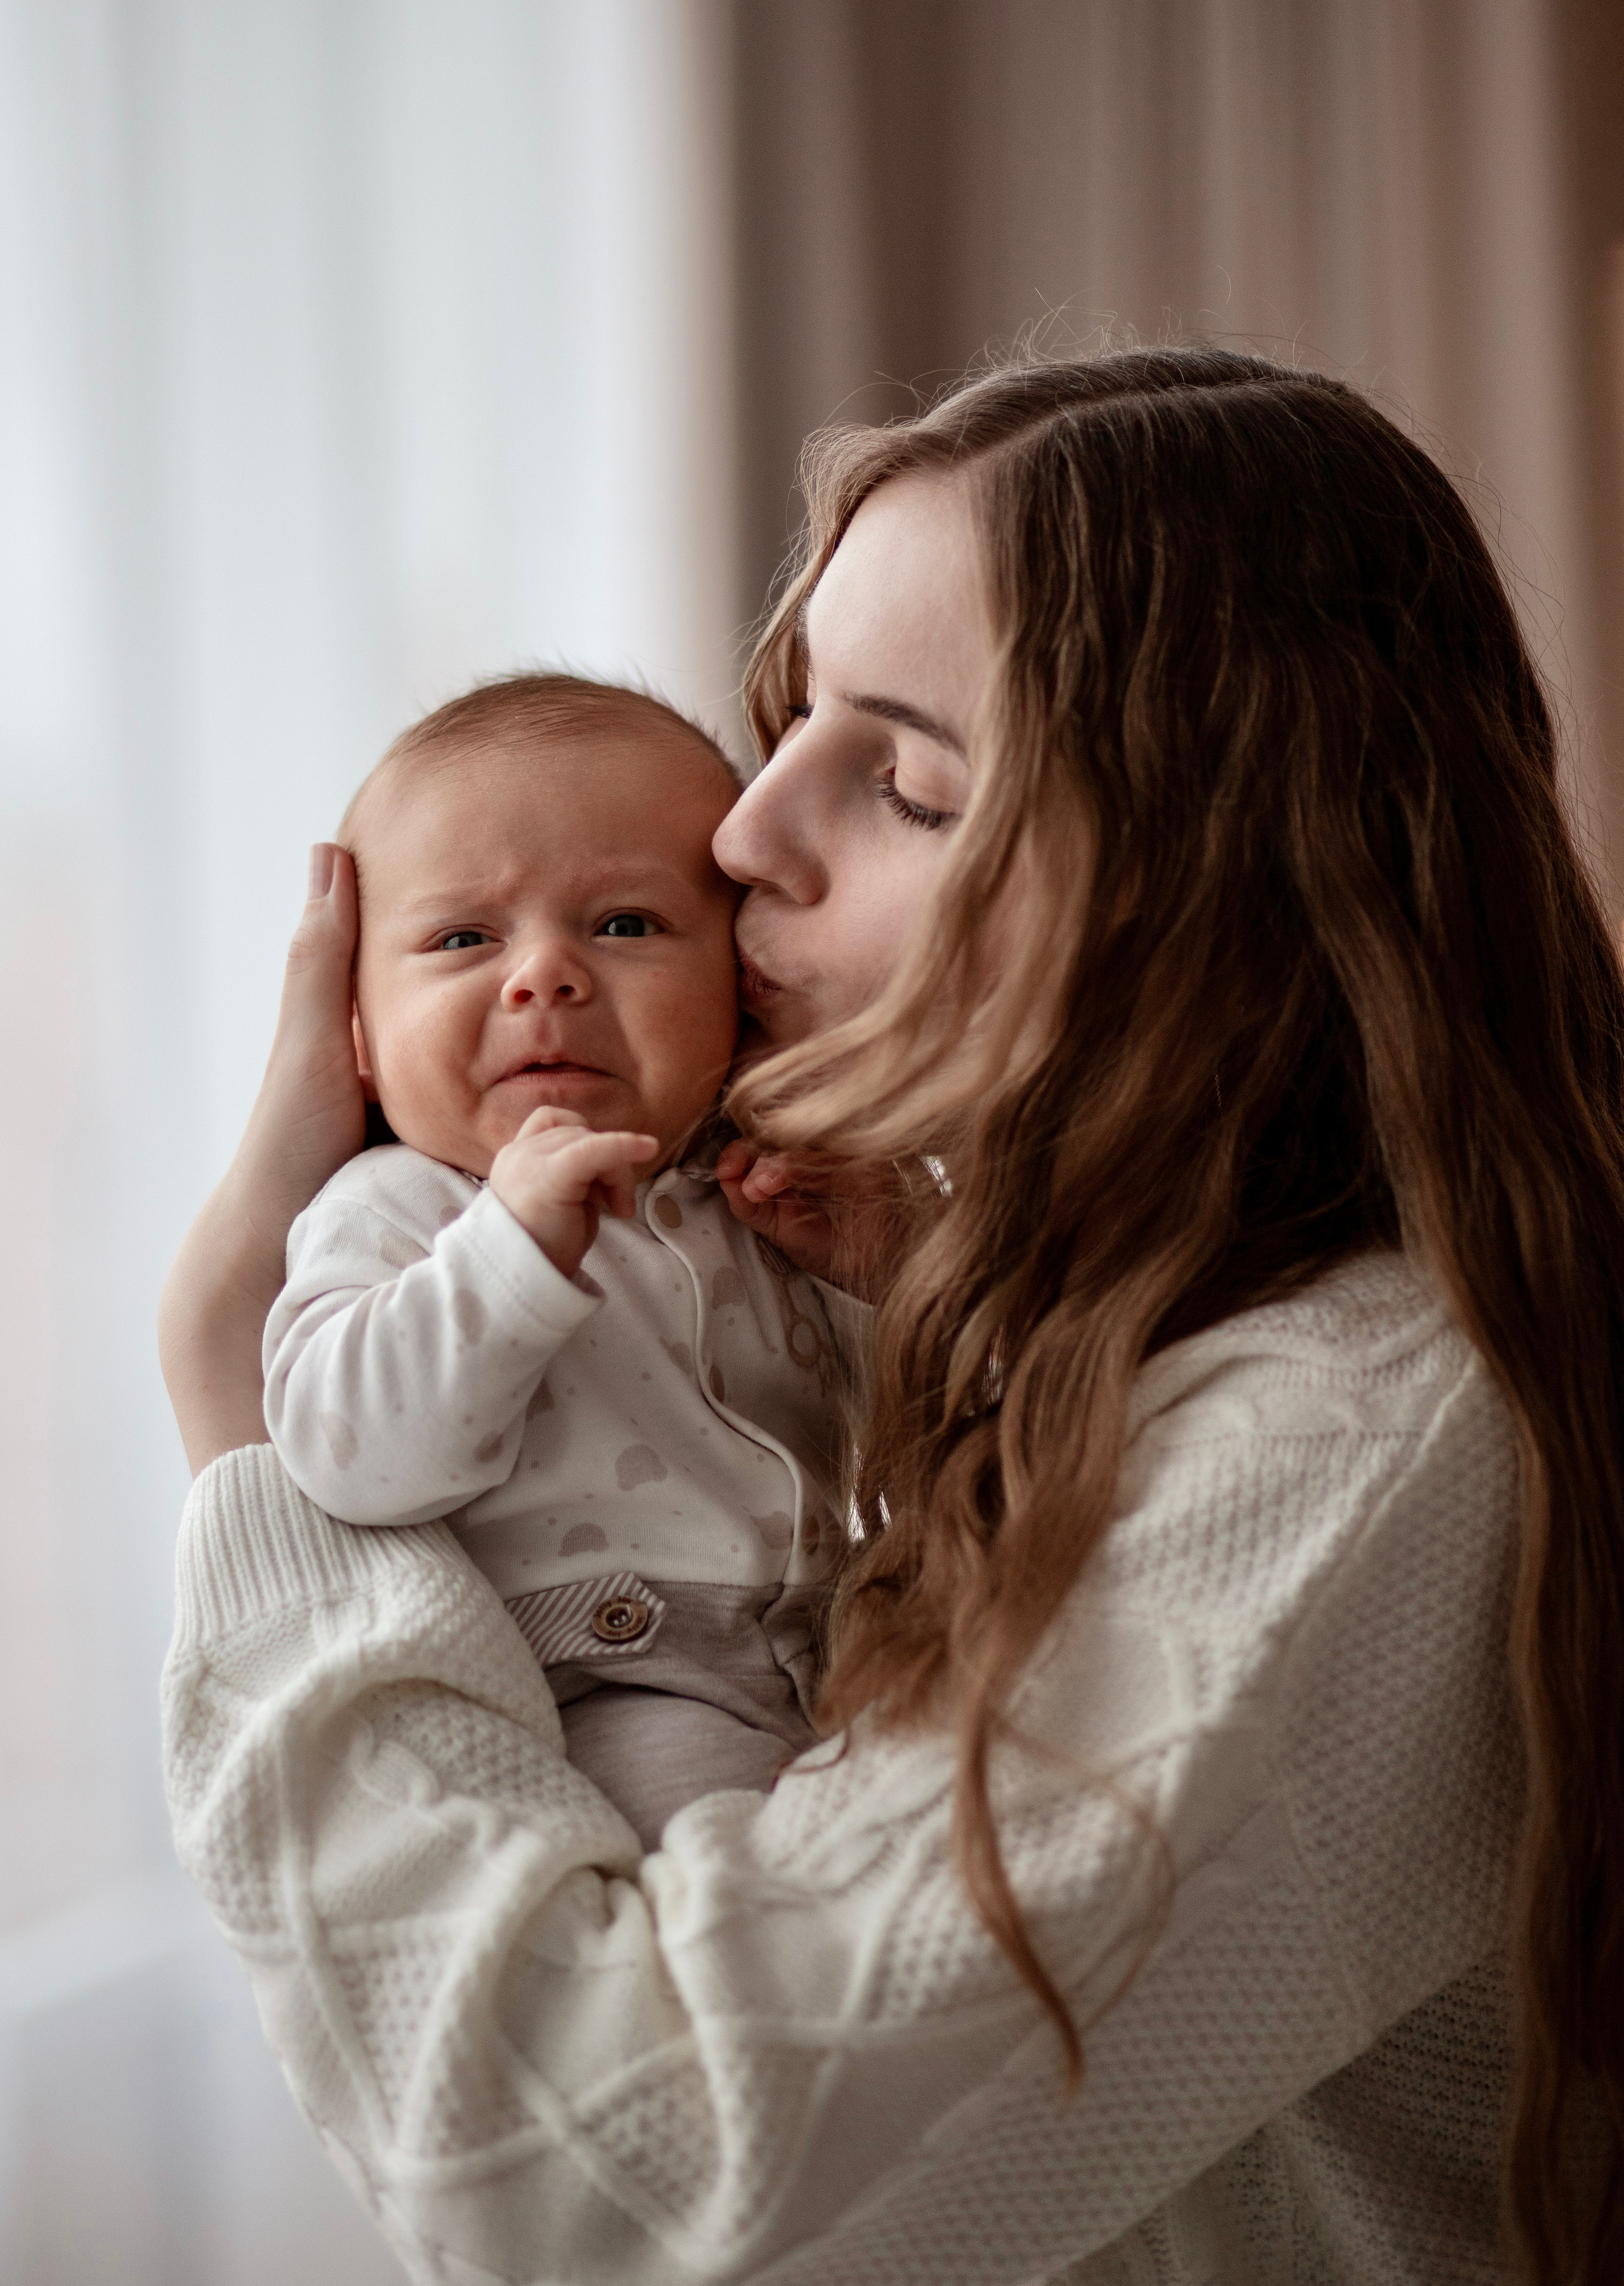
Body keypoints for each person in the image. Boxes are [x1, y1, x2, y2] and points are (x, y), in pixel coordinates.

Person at [158, 349, 1624, 2284]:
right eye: (789, 721)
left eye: (907, 777)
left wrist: (253, 1446)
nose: (744, 832)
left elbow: (620, 2188)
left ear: (1209, 894)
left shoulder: (1352, 1445)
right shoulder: (1146, 1333)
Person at [262, 672, 858, 1849]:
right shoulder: (402, 1209)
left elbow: (945, 1407)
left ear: (742, 987)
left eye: (625, 925)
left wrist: (886, 1263)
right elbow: (343, 1452)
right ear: (359, 1040)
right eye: (463, 938)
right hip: (614, 1692)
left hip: (842, 1650)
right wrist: (508, 1254)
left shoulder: (763, 1185)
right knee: (759, 1895)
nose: (544, 975)